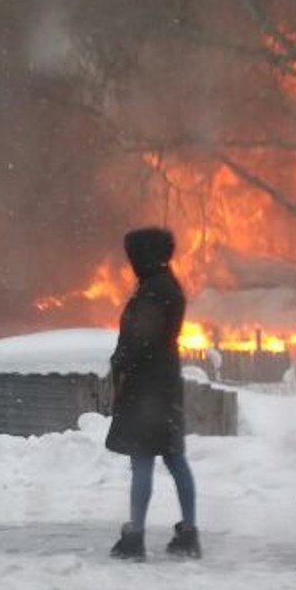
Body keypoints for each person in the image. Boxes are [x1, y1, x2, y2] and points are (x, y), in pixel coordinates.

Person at [105, 227, 200, 561]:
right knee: (175, 459)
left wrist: (119, 363)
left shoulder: (152, 292)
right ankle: (189, 531)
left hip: (145, 388)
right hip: (166, 383)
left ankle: (136, 536)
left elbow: (138, 342)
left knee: (142, 459)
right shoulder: (169, 287)